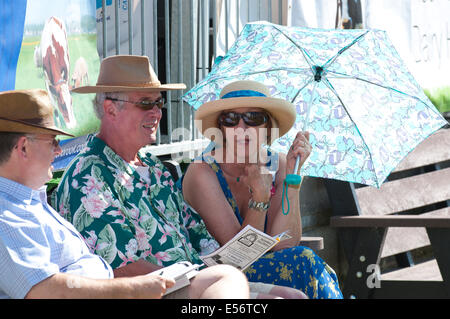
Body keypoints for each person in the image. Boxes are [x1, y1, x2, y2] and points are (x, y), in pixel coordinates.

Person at [53, 55, 306, 299]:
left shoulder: (155, 168)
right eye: (145, 103)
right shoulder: (88, 175)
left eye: (158, 103)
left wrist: (218, 272)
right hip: (157, 291)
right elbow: (123, 269)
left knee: (291, 296)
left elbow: (202, 239)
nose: (156, 113)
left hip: (197, 282)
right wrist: (203, 280)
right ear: (110, 109)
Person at [0, 88, 250, 299]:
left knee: (270, 291)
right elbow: (44, 289)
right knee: (228, 279)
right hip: (151, 288)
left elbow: (195, 231)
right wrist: (134, 287)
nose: (58, 151)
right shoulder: (81, 177)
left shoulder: (28, 202)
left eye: (159, 102)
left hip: (166, 282)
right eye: (53, 141)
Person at [182, 80, 343, 299]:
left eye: (253, 118)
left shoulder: (279, 165)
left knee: (302, 260)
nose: (241, 128)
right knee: (304, 262)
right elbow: (241, 256)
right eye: (230, 119)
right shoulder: (203, 172)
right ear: (221, 128)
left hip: (266, 270)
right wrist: (260, 197)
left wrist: (292, 179)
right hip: (218, 282)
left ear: (268, 127)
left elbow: (284, 244)